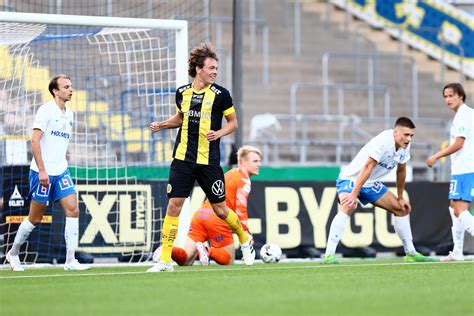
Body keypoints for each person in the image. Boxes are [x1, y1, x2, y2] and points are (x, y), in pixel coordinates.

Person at [147, 43, 255, 272]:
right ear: (198, 69)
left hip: (209, 162)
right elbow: (180, 119)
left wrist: (219, 133)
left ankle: (244, 241)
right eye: (211, 67)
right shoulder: (182, 93)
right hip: (182, 159)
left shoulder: (221, 95)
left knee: (221, 210)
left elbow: (233, 123)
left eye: (216, 68)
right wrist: (163, 125)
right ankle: (165, 261)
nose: (215, 71)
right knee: (173, 206)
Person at [322, 117, 438, 264]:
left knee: (400, 209)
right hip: (351, 179)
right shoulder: (383, 142)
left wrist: (401, 197)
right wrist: (354, 194)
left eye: (411, 136)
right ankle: (329, 255)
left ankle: (411, 253)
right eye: (406, 135)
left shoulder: (404, 146)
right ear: (396, 133)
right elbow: (368, 166)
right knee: (348, 205)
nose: (409, 139)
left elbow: (401, 170)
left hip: (370, 182)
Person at [5, 75, 90, 271]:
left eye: (71, 86)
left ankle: (70, 261)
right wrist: (42, 170)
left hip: (61, 170)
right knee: (35, 217)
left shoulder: (70, 114)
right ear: (55, 91)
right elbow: (34, 140)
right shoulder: (45, 110)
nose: (71, 90)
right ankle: (14, 253)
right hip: (41, 172)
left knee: (73, 209)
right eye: (66, 87)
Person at [153, 145, 261, 266]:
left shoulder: (229, 174)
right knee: (229, 259)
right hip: (219, 218)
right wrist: (245, 233)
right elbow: (241, 209)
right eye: (255, 161)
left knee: (187, 260)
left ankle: (167, 250)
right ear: (244, 162)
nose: (259, 164)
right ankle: (207, 251)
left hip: (201, 215)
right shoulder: (244, 180)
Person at [426, 83, 474, 261]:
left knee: (460, 209)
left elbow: (459, 143)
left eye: (451, 95)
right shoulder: (468, 114)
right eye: (445, 96)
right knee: (454, 207)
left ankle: (458, 252)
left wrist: (436, 156)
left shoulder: (463, 116)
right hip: (463, 168)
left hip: (465, 169)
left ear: (461, 96)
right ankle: (457, 252)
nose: (448, 99)